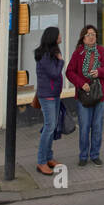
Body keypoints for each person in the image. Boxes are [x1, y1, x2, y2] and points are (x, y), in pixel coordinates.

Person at [65, 24, 104, 167]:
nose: (91, 37)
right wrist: (81, 83)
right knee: (85, 126)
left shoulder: (102, 51)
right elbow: (69, 72)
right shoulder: (78, 53)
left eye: (93, 34)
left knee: (97, 126)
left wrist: (100, 72)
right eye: (88, 35)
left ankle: (95, 155)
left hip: (99, 95)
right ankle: (83, 155)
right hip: (84, 96)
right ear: (83, 38)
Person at [34, 26, 62, 176]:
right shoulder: (45, 55)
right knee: (49, 127)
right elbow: (54, 73)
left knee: (52, 126)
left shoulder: (52, 53)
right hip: (47, 96)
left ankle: (49, 157)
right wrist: (61, 61)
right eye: (59, 35)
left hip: (55, 94)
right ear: (53, 37)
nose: (61, 36)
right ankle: (41, 162)